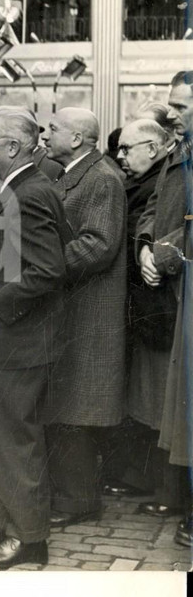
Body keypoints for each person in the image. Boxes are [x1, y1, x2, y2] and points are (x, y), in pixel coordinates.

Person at [0, 109, 70, 569]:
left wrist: (0, 303)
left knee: (16, 439)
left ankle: (29, 540)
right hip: (9, 340)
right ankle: (4, 525)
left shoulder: (29, 193)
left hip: (16, 337)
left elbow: (48, 268)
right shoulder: (20, 188)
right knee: (3, 437)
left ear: (11, 147)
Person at [41, 108, 127, 529]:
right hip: (75, 308)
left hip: (88, 313)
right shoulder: (83, 173)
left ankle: (78, 502)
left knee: (76, 408)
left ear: (77, 139)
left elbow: (98, 245)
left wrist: (42, 265)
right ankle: (72, 496)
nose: (46, 132)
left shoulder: (100, 178)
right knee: (70, 405)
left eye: (53, 128)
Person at [102, 120, 179, 507]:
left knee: (160, 396)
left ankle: (165, 487)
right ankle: (148, 479)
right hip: (146, 303)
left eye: (127, 148)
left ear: (152, 148)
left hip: (161, 303)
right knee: (146, 395)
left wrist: (150, 253)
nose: (120, 155)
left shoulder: (164, 176)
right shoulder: (150, 179)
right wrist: (144, 247)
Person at [145, 70, 193, 545]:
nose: (170, 113)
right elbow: (155, 208)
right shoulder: (178, 153)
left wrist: (169, 250)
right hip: (179, 292)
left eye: (180, 105)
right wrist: (146, 246)